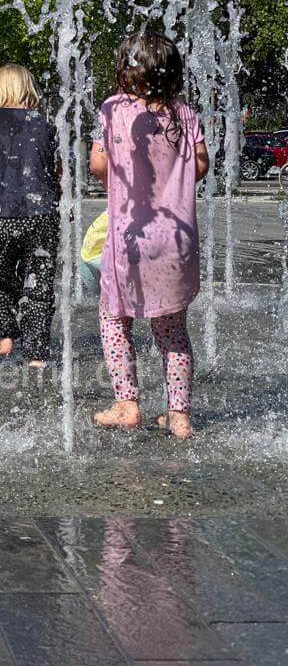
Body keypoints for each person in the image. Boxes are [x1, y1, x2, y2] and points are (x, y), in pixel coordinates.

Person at [89, 30, 209, 440]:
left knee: (113, 318)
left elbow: (98, 166)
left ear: (127, 70)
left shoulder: (113, 110)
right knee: (172, 331)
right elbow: (201, 166)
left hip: (131, 238)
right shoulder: (185, 114)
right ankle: (179, 415)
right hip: (177, 240)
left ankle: (127, 403)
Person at [0, 65, 59, 368]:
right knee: (40, 284)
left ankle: (5, 337)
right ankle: (36, 353)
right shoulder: (45, 125)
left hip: (1, 214)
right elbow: (54, 171)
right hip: (42, 215)